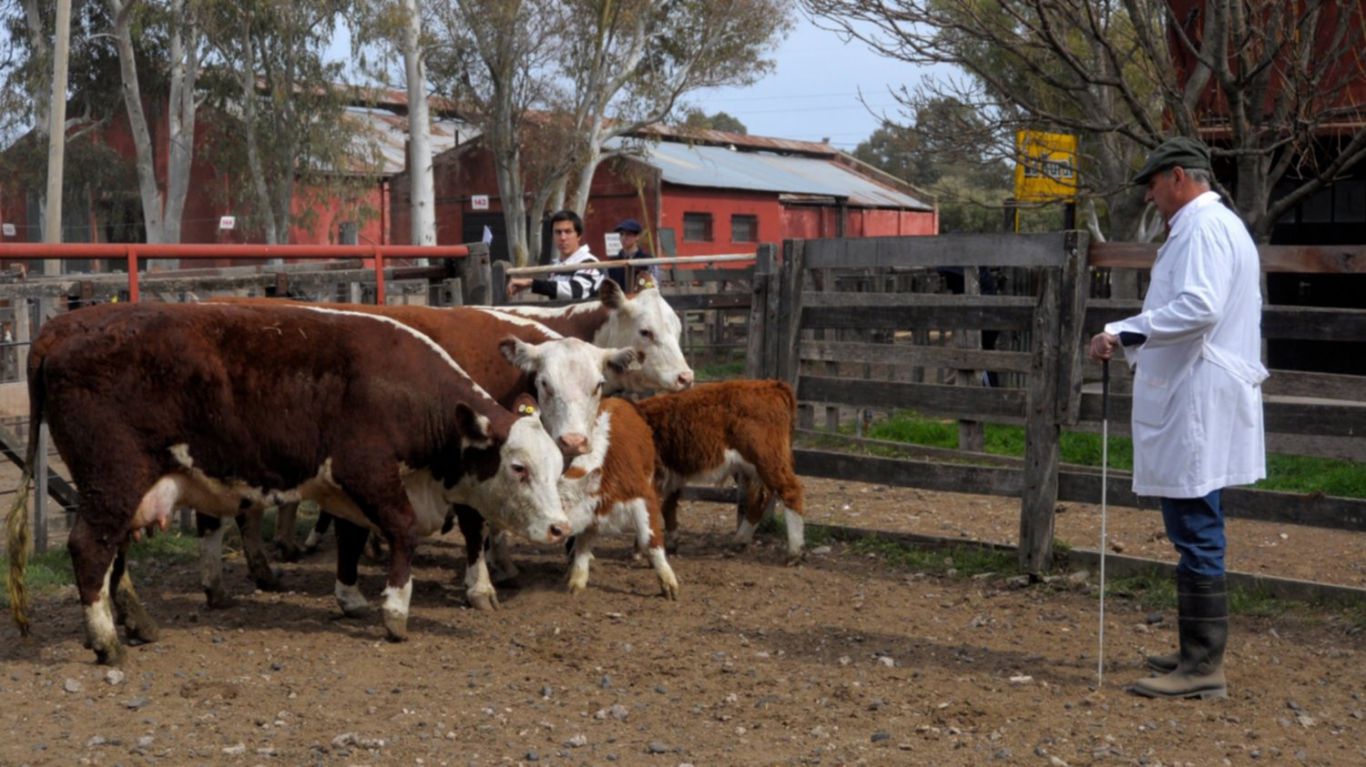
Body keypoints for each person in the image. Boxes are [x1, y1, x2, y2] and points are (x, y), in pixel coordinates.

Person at [1088, 136, 1267, 700]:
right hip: (1199, 386)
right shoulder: (1215, 226)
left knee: (1195, 524)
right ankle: (1196, 647)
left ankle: (1203, 665)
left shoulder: (1201, 227)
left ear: (1180, 178)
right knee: (1194, 519)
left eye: (1153, 181)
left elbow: (1199, 306)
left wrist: (1122, 330)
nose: (1149, 191)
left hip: (1197, 390)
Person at [506, 210, 603, 300]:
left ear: (579, 236)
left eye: (568, 231)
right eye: (558, 232)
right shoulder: (555, 266)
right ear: (553, 236)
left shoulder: (590, 262)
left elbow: (575, 291)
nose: (563, 237)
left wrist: (531, 283)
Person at [604, 218, 662, 291]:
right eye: (621, 234)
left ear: (637, 237)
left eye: (628, 234)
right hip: (619, 301)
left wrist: (644, 285)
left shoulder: (647, 261)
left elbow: (654, 285)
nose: (623, 238)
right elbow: (607, 286)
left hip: (642, 300)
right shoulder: (612, 263)